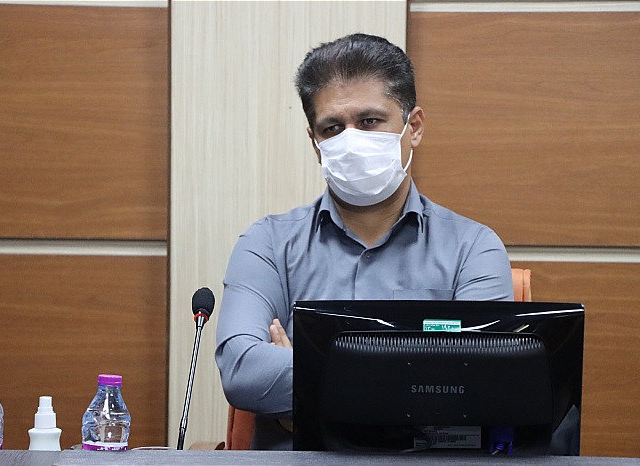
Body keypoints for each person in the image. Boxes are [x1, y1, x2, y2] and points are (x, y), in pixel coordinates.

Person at [215, 33, 513, 450]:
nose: (351, 140)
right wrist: (419, 382)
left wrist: (307, 401)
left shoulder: (473, 249)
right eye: (333, 128)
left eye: (370, 121)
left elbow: (479, 384)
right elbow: (243, 372)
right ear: (315, 143)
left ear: (414, 128)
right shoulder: (266, 244)